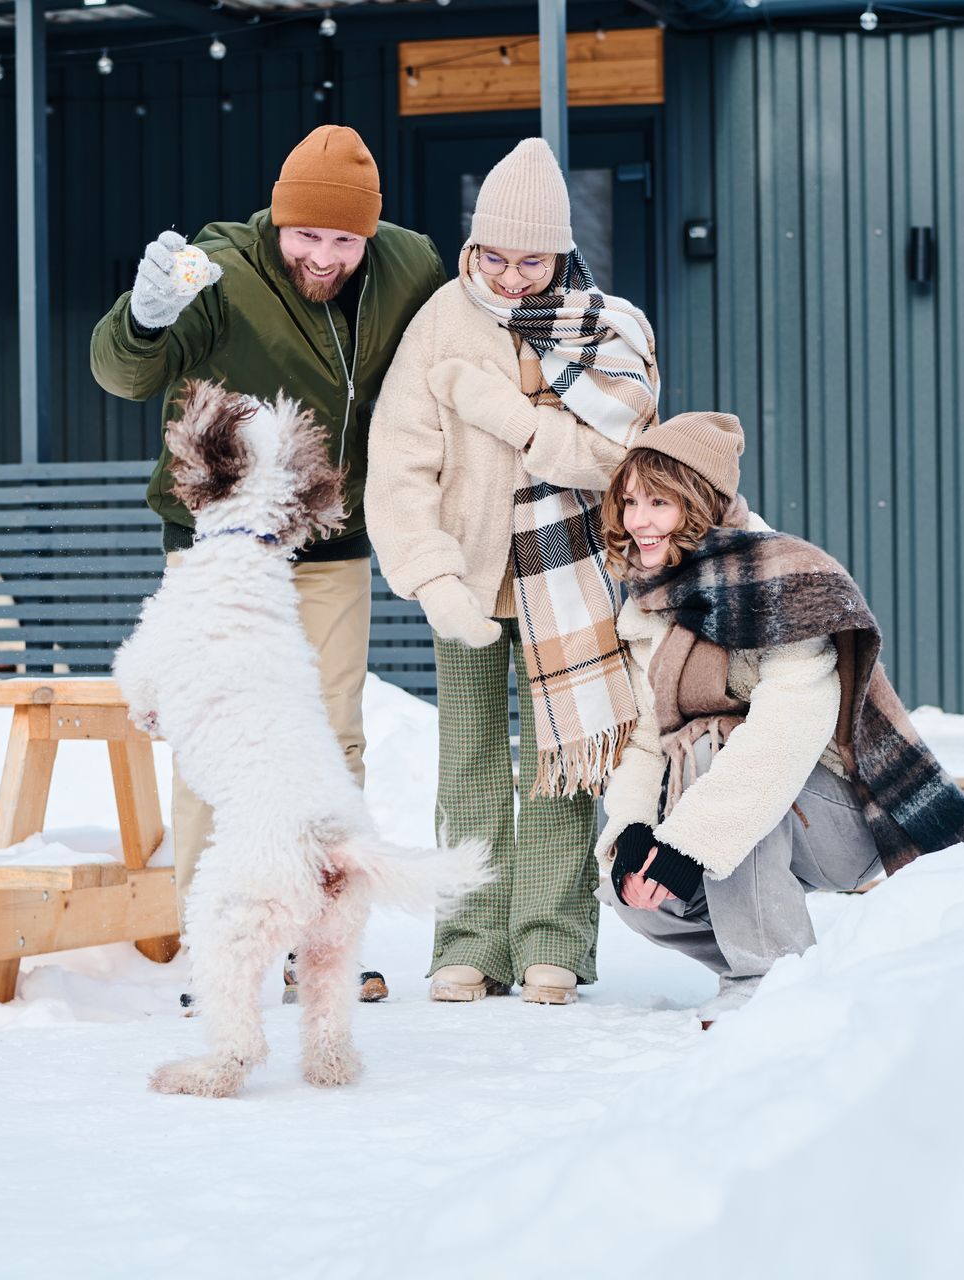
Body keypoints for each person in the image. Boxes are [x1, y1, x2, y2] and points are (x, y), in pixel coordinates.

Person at [90, 125, 447, 999]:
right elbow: (123, 376)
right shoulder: (218, 271)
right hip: (218, 546)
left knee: (333, 736)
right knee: (218, 739)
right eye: (305, 235)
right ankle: (223, 950)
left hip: (329, 541)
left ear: (370, 234)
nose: (322, 255)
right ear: (277, 220)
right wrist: (141, 319)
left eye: (342, 239)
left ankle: (323, 941)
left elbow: (478, 321)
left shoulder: (409, 267)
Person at [369, 138, 658, 1006]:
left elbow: (622, 459)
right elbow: (400, 461)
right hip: (465, 582)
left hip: (569, 586)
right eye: (493, 256)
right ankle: (468, 939)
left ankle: (551, 940)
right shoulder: (440, 323)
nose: (510, 276)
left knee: (560, 762)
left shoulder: (611, 328)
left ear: (562, 251)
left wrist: (511, 419)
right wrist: (429, 576)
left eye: (531, 259)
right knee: (467, 764)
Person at [594, 412, 964, 1026]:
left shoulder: (782, 577)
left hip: (841, 813)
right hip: (735, 816)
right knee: (635, 891)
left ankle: (770, 974)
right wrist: (633, 829)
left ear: (701, 503)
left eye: (658, 502)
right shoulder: (652, 600)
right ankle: (777, 964)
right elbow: (646, 738)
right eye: (628, 503)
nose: (637, 522)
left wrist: (689, 842)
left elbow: (787, 730)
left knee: (717, 748)